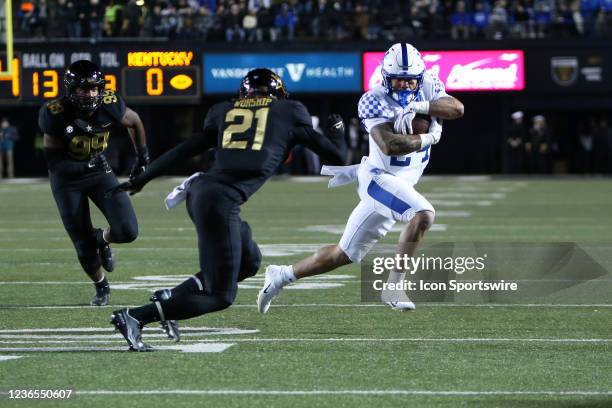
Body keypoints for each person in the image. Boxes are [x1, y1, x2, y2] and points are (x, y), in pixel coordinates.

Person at [106, 68, 347, 351]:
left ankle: (170, 297)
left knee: (249, 261)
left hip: (203, 192)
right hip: (218, 201)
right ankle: (135, 317)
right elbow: (337, 158)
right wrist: (337, 134)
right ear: (279, 95)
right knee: (220, 296)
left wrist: (143, 178)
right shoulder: (289, 111)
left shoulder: (224, 110)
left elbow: (187, 148)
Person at [257, 42, 464, 313]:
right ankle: (394, 285)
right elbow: (390, 145)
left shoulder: (427, 84)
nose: (403, 85)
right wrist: (428, 137)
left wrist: (421, 105)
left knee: (343, 254)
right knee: (423, 214)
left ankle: (281, 275)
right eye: (398, 80)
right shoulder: (372, 98)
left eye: (409, 80)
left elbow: (457, 108)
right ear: (386, 78)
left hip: (399, 183)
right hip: (378, 179)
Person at [38, 60, 149, 307]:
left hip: (98, 170)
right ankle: (101, 285)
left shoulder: (110, 104)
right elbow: (56, 163)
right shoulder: (55, 113)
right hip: (67, 179)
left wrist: (142, 156)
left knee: (128, 231)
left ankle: (102, 239)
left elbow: (135, 121)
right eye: (82, 89)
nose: (89, 94)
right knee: (81, 241)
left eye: (93, 89)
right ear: (70, 89)